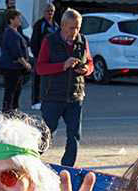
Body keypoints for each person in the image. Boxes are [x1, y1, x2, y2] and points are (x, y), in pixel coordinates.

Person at [35, 8, 92, 167]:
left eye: (78, 27)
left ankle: (67, 168)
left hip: (75, 97)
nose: (75, 31)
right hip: (53, 96)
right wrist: (63, 65)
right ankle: (31, 160)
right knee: (46, 133)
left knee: (74, 135)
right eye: (72, 27)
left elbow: (90, 62)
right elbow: (40, 68)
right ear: (62, 26)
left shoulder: (82, 40)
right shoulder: (49, 41)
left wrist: (86, 70)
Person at [0, 10, 33, 113]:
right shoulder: (10, 33)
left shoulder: (16, 32)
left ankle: (13, 110)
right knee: (11, 91)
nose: (20, 20)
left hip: (16, 68)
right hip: (11, 67)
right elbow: (16, 53)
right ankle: (8, 111)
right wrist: (26, 64)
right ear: (11, 20)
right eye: (18, 18)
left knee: (16, 90)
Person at [29, 2, 58, 111]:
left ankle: (46, 100)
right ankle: (35, 101)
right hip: (40, 57)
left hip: (52, 58)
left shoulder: (56, 25)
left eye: (52, 11)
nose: (50, 13)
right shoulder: (39, 25)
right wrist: (37, 56)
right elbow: (34, 42)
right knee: (37, 79)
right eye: (48, 11)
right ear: (44, 12)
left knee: (49, 80)